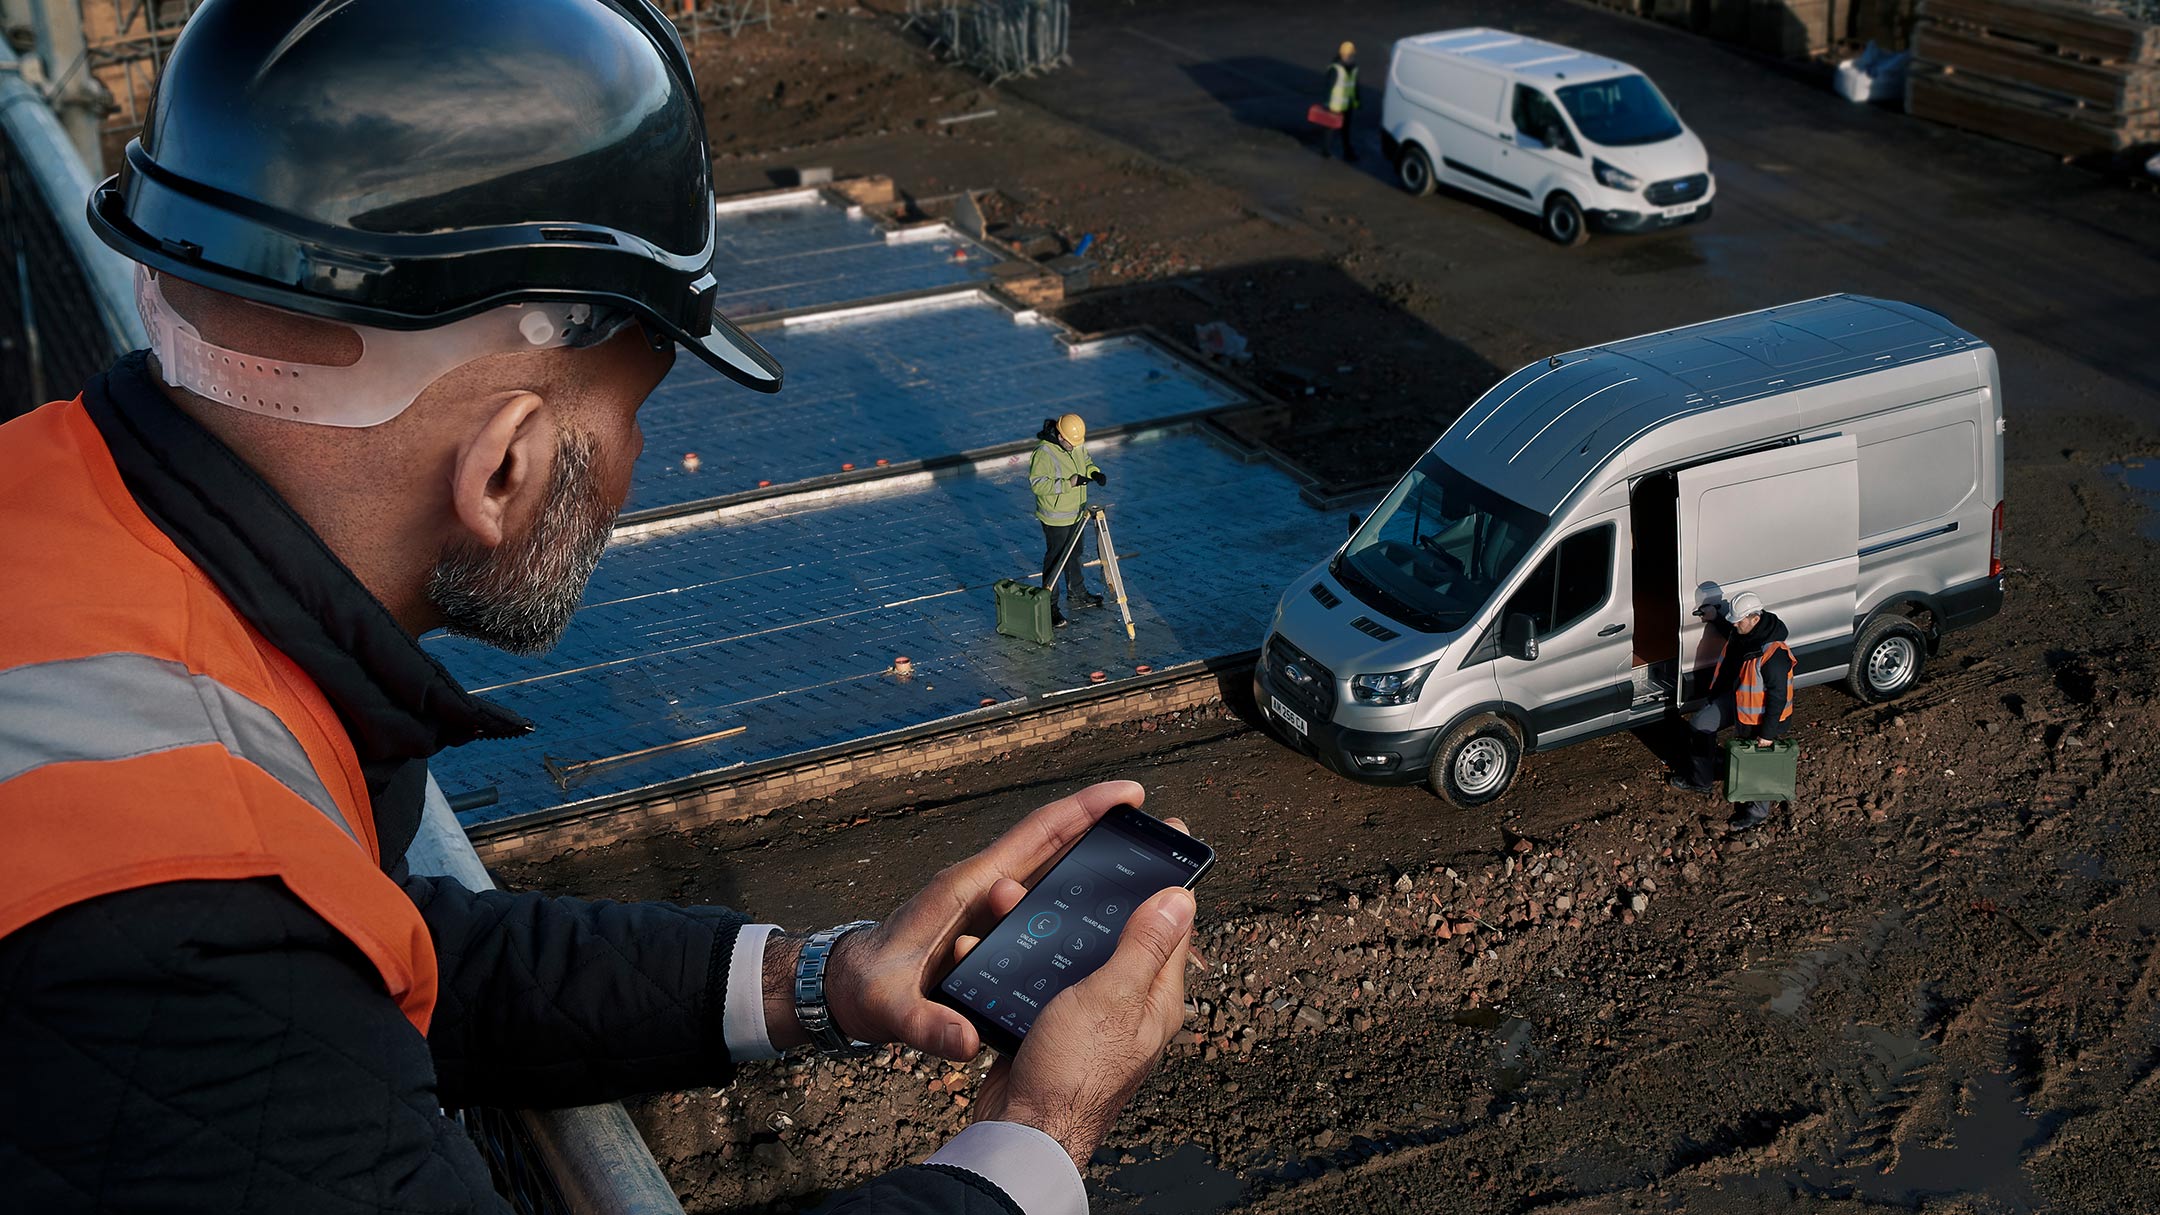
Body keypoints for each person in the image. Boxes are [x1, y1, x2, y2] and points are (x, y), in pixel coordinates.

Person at [0, 3, 1193, 1212]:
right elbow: (262, 989)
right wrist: (1036, 1140)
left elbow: (388, 956)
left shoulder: (56, 517)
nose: (630, 458)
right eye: (634, 410)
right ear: (505, 465)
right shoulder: (187, 936)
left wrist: (823, 979)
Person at [1668, 591, 1795, 832]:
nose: (1734, 625)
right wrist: (1716, 617)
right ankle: (1701, 780)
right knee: (1700, 725)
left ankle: (1757, 812)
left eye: (1738, 621)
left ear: (1755, 619)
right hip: (1738, 701)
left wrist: (1767, 735)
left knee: (1757, 764)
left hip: (1761, 718)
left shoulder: (1774, 654)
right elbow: (1732, 633)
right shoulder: (1746, 633)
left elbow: (1778, 698)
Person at [1029, 412, 1107, 630]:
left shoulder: (1075, 443)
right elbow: (1038, 485)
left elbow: (1086, 461)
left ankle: (1077, 592)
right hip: (1056, 517)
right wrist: (1069, 483)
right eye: (1071, 444)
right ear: (1060, 436)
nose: (1074, 447)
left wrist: (1094, 473)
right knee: (1056, 560)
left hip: (1076, 512)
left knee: (1075, 553)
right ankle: (1050, 606)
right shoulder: (1044, 452)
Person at [1321, 41, 1360, 162]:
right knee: (1330, 129)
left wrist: (1357, 101)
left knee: (1346, 130)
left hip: (1348, 105)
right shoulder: (1335, 69)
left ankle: (1348, 152)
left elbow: (1355, 86)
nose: (1352, 58)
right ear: (1343, 56)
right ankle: (1326, 151)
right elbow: (1328, 87)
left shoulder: (1353, 69)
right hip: (1335, 106)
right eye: (1350, 56)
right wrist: (1327, 104)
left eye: (1353, 56)